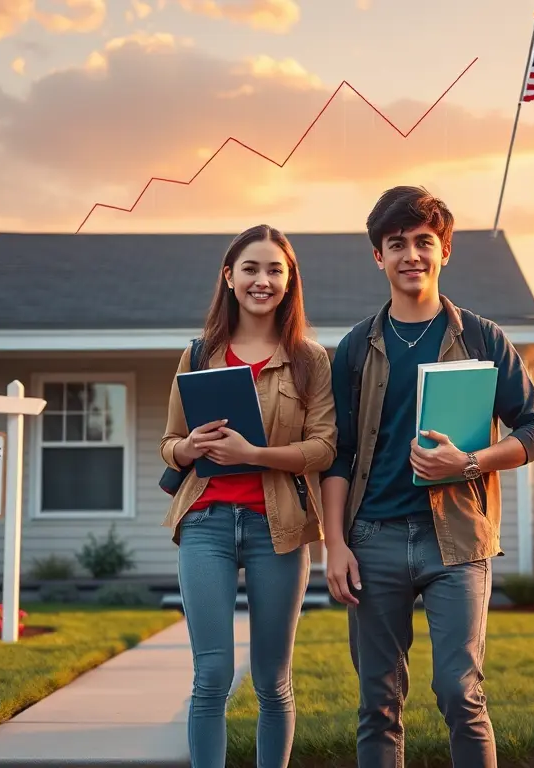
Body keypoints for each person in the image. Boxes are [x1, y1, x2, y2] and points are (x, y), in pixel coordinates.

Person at [320, 186, 534, 768]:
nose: (410, 256)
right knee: (378, 702)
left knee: (460, 692)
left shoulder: (482, 338)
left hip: (455, 540)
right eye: (395, 243)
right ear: (378, 256)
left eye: (423, 242)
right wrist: (334, 546)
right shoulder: (354, 348)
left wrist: (470, 462)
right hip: (371, 538)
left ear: (444, 250)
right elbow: (339, 455)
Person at [159, 224, 337, 768]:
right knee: (210, 674)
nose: (263, 280)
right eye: (251, 269)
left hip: (277, 528)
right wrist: (188, 446)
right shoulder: (197, 354)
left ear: (289, 281)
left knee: (272, 678)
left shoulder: (310, 360)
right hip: (206, 522)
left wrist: (253, 455)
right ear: (229, 278)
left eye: (275, 270)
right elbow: (169, 444)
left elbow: (325, 448)